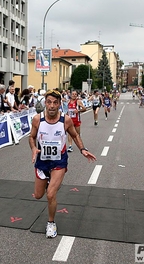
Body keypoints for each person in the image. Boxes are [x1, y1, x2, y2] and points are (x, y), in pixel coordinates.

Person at [29, 89, 96, 238]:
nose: (52, 106)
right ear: (45, 104)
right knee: (39, 195)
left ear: (60, 104)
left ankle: (51, 223)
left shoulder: (65, 120)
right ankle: (48, 183)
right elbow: (31, 137)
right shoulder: (37, 119)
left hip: (59, 161)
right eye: (49, 102)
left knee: (51, 194)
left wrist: (82, 149)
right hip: (42, 161)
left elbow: (75, 135)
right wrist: (34, 148)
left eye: (55, 103)